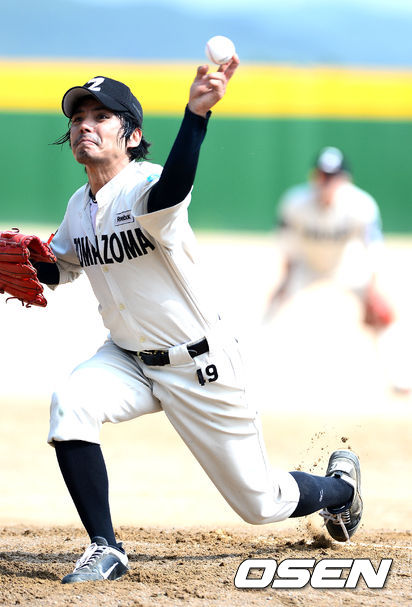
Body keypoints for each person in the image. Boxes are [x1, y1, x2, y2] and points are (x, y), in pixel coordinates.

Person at [35, 60, 363, 584]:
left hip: (200, 364)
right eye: (77, 118)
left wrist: (196, 115)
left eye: (100, 117)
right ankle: (105, 547)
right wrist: (30, 263)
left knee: (259, 503)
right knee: (71, 403)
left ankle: (341, 490)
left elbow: (172, 188)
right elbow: (62, 266)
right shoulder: (80, 205)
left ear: (132, 135)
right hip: (127, 359)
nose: (84, 126)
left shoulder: (147, 185)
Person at [264, 146, 410, 391]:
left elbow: (373, 249)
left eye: (333, 177)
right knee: (273, 306)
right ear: (314, 176)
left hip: (345, 264)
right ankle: (248, 373)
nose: (327, 182)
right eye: (322, 175)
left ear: (345, 179)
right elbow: (286, 243)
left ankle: (398, 378)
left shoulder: (361, 204)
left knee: (381, 313)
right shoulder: (295, 202)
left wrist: (372, 291)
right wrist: (285, 281)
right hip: (306, 264)